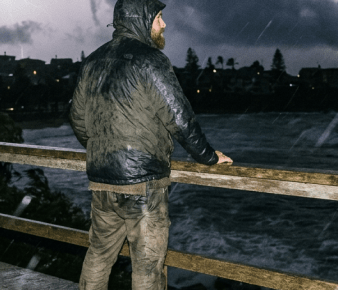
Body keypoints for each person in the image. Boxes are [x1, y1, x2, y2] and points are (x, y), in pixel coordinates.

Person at [69, 0, 233, 289]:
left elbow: (78, 120)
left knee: (98, 255)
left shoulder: (92, 61)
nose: (164, 24)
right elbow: (179, 117)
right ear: (142, 19)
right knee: (147, 268)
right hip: (142, 183)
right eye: (159, 17)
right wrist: (208, 157)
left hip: (101, 180)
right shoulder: (150, 59)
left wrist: (105, 150)